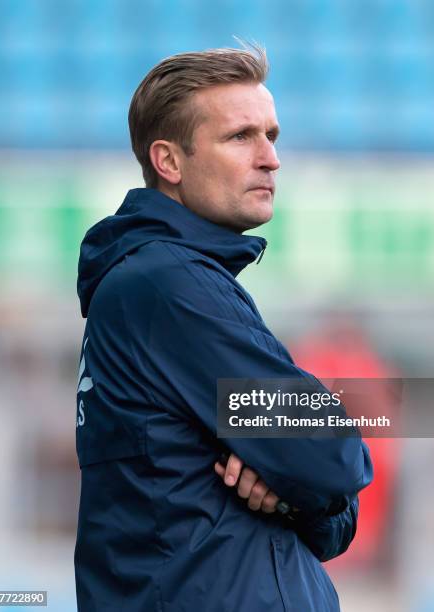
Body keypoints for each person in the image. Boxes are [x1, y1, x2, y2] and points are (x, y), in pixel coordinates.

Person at [74, 45, 373, 612]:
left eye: (272, 135)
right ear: (169, 161)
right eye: (241, 137)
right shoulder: (169, 285)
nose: (270, 158)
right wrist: (304, 475)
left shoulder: (171, 279)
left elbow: (333, 512)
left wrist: (289, 495)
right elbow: (336, 456)